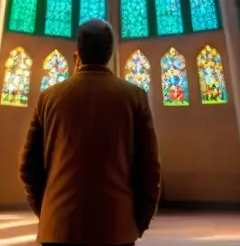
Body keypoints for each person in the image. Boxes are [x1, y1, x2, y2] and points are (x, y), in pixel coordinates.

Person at [20, 19, 161, 246]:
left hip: (59, 228)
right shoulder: (134, 97)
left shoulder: (49, 97)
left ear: (77, 53)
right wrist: (136, 223)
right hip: (116, 229)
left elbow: (28, 167)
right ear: (110, 54)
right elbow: (150, 170)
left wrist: (49, 211)